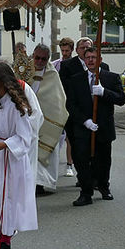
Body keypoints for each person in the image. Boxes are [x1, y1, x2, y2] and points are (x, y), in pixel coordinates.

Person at [0, 62, 38, 249]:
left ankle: (5, 240)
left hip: (12, 157)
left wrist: (4, 145)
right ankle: (7, 227)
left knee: (9, 197)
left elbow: (24, 136)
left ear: (3, 80)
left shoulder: (16, 104)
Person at [64, 48, 125, 206]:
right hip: (83, 128)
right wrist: (85, 121)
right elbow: (70, 104)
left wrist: (105, 92)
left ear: (100, 59)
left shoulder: (111, 78)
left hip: (103, 127)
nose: (91, 60)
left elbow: (121, 99)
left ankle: (104, 187)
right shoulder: (76, 79)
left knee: (103, 161)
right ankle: (86, 193)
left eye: (94, 57)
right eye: (88, 57)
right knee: (82, 160)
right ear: (84, 60)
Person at [29, 45, 67, 194]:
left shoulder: (52, 74)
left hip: (46, 120)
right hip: (27, 119)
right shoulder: (24, 70)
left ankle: (41, 183)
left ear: (48, 59)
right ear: (33, 55)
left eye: (43, 59)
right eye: (37, 57)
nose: (39, 61)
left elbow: (58, 99)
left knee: (44, 153)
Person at [53, 37, 75, 175]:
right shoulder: (55, 65)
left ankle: (69, 164)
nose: (64, 53)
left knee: (69, 137)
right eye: (62, 50)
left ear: (72, 50)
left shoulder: (76, 65)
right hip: (58, 104)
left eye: (67, 50)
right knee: (55, 134)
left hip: (71, 103)